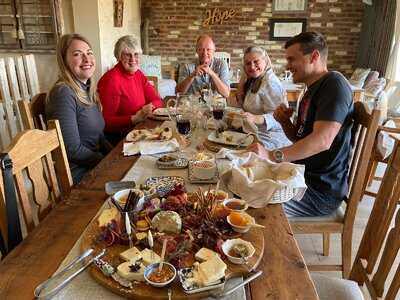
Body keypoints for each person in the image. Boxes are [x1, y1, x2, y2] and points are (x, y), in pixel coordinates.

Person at [249, 32, 353, 217]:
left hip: (319, 192)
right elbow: (299, 138)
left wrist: (273, 155)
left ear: (314, 56)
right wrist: (284, 121)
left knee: (251, 203)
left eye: (292, 59)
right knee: (240, 178)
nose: (288, 66)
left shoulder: (334, 84)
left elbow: (322, 141)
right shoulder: (310, 90)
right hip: (298, 175)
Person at [46, 34, 112, 184]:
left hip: (94, 165)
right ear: (64, 60)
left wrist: (115, 155)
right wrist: (106, 162)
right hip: (78, 174)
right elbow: (72, 149)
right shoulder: (63, 92)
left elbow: (99, 136)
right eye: (77, 54)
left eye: (89, 53)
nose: (87, 59)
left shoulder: (87, 90)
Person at [97, 35, 162, 144]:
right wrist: (134, 118)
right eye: (127, 55)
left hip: (139, 131)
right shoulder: (111, 80)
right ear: (119, 56)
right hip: (120, 139)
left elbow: (158, 100)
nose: (133, 59)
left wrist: (148, 108)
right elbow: (105, 122)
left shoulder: (138, 74)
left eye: (136, 54)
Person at [236, 46, 291, 150]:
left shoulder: (270, 83)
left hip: (273, 138)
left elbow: (279, 119)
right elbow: (241, 102)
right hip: (255, 133)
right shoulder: (255, 79)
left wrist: (254, 118)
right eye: (248, 63)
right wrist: (244, 76)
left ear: (265, 61)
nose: (252, 67)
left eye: (256, 61)